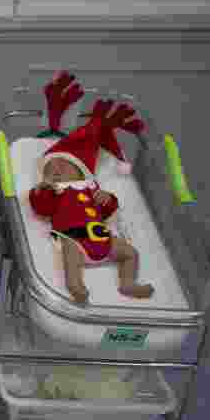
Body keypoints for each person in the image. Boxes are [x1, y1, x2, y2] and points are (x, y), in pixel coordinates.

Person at [29, 91, 155, 305]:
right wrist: (42, 189)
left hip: (102, 238)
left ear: (80, 171)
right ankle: (76, 287)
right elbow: (41, 208)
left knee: (130, 252)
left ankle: (127, 283)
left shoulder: (91, 187)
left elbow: (106, 211)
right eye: (50, 168)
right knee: (70, 257)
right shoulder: (55, 191)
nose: (56, 169)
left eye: (62, 164)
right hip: (74, 240)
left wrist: (107, 199)